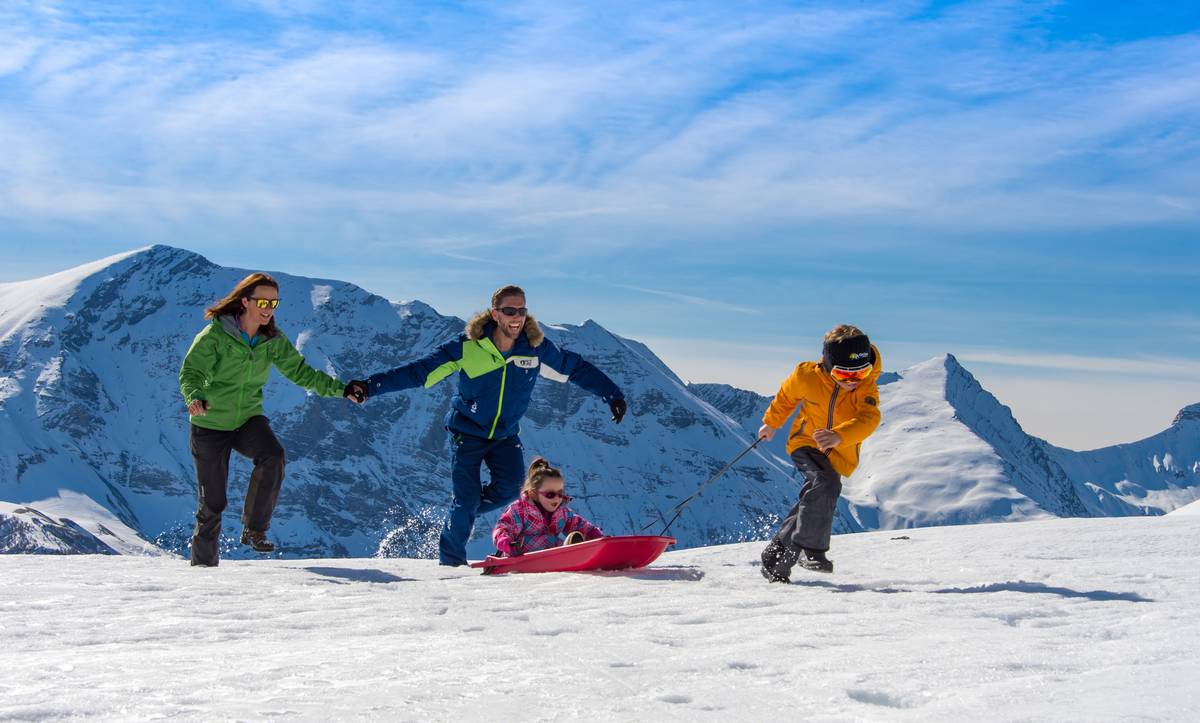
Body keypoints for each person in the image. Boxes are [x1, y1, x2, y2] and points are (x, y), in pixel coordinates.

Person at [362, 284, 626, 566]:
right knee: (465, 502)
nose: (517, 317)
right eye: (509, 310)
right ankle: (451, 564)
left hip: (504, 435)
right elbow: (418, 371)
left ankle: (464, 511)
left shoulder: (534, 348)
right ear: (494, 314)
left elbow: (575, 367)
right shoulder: (467, 347)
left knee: (509, 488)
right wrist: (369, 387)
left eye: (522, 310)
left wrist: (612, 394)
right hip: (467, 434)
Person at [178, 272, 367, 567]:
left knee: (273, 455)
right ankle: (203, 570)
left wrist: (341, 390)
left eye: (274, 303)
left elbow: (302, 373)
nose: (268, 308)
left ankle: (254, 530)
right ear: (245, 301)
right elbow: (192, 372)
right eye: (263, 301)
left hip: (247, 419)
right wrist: (195, 397)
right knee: (212, 504)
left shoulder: (273, 341)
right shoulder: (215, 336)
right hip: (211, 423)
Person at [757, 324, 882, 581]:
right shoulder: (807, 377)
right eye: (845, 375)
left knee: (814, 498)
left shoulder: (866, 387)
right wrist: (771, 422)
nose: (853, 382)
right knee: (826, 483)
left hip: (837, 450)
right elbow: (786, 397)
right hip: (806, 441)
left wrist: (840, 436)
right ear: (827, 365)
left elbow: (869, 418)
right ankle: (811, 550)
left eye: (860, 373)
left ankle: (776, 558)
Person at [492, 458, 603, 557]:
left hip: (553, 555)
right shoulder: (519, 510)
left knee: (574, 536)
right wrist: (506, 542)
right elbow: (503, 527)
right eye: (550, 494)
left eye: (560, 494)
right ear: (533, 494)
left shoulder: (561, 512)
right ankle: (572, 553)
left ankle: (575, 551)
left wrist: (596, 535)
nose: (557, 499)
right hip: (521, 556)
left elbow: (579, 524)